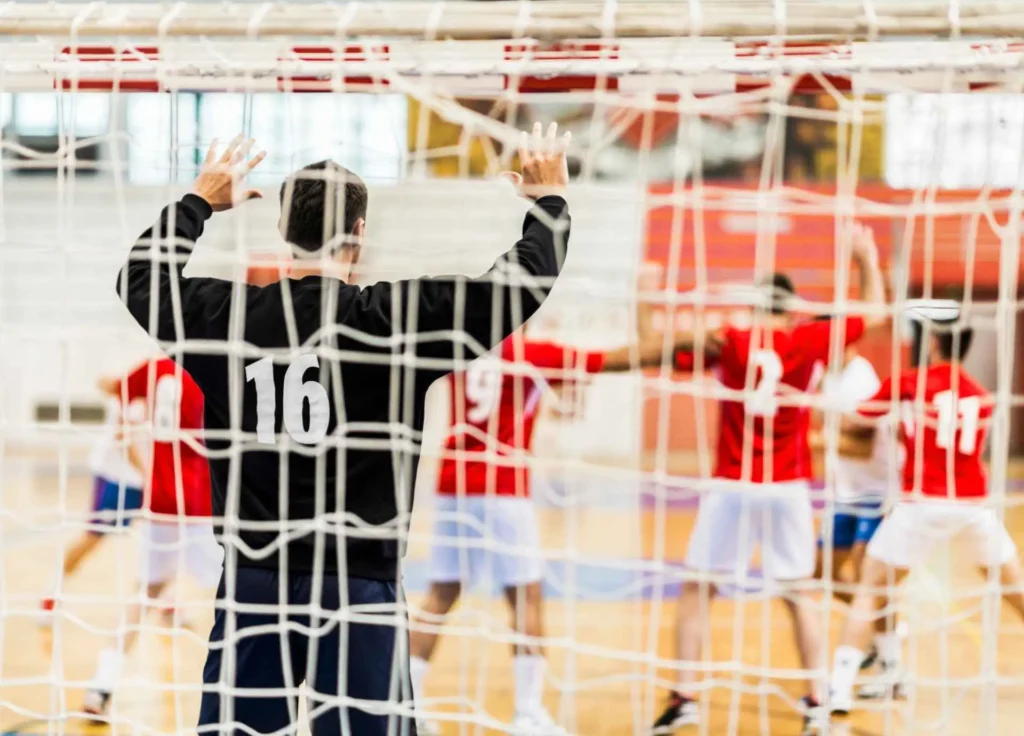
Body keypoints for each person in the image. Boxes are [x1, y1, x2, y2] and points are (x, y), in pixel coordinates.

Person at [114, 123, 573, 736]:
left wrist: (199, 201)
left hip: (256, 581)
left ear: (283, 230)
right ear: (359, 232)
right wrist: (548, 204)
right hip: (360, 585)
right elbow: (517, 284)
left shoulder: (225, 317)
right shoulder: (393, 321)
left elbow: (138, 280)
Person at [411, 294, 694, 736]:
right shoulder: (531, 353)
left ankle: (407, 703)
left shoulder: (463, 348)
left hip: (452, 483)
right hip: (503, 489)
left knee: (439, 596)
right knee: (526, 599)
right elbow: (622, 359)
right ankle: (527, 714)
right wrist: (684, 342)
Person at [650, 223, 885, 735]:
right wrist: (865, 259)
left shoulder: (731, 340)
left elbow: (659, 351)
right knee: (799, 595)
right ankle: (817, 698)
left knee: (697, 590)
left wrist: (647, 298)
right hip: (787, 487)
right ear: (792, 308)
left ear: (756, 307)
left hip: (733, 485)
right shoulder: (808, 339)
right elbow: (875, 313)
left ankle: (684, 695)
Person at [828, 303, 1024, 715]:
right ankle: (890, 671)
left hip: (921, 505)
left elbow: (857, 420)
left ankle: (839, 689)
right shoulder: (980, 394)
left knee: (870, 590)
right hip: (972, 507)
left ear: (930, 341)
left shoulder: (909, 383)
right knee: (1016, 590)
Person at [84, 357, 222, 717]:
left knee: (144, 594)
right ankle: (240, 689)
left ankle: (101, 684)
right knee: (235, 596)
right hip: (200, 502)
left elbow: (109, 388)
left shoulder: (155, 368)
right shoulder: (214, 366)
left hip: (160, 498)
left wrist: (146, 470)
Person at [811, 343, 904, 691]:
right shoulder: (824, 373)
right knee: (824, 572)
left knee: (870, 578)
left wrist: (816, 442)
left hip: (876, 492)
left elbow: (863, 448)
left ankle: (889, 662)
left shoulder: (861, 378)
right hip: (843, 493)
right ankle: (874, 626)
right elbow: (821, 421)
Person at [40, 390, 146, 622]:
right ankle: (52, 592)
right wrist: (148, 474)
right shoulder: (135, 389)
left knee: (165, 533)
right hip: (117, 477)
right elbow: (122, 438)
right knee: (93, 537)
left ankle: (166, 599)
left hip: (151, 478)